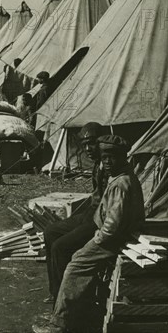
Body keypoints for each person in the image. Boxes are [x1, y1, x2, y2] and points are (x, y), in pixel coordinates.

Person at [34, 135, 144, 333]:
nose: (107, 162)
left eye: (112, 157)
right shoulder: (119, 176)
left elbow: (112, 226)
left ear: (123, 157)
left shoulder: (121, 183)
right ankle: (73, 311)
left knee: (75, 266)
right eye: (105, 157)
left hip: (112, 239)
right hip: (112, 234)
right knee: (69, 251)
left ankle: (60, 324)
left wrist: (96, 239)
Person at [42, 123, 108, 305]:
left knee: (60, 247)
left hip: (99, 221)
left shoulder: (109, 164)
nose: (88, 149)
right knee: (50, 232)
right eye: (85, 144)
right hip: (90, 214)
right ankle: (55, 291)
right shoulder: (98, 164)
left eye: (92, 143)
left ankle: (66, 300)